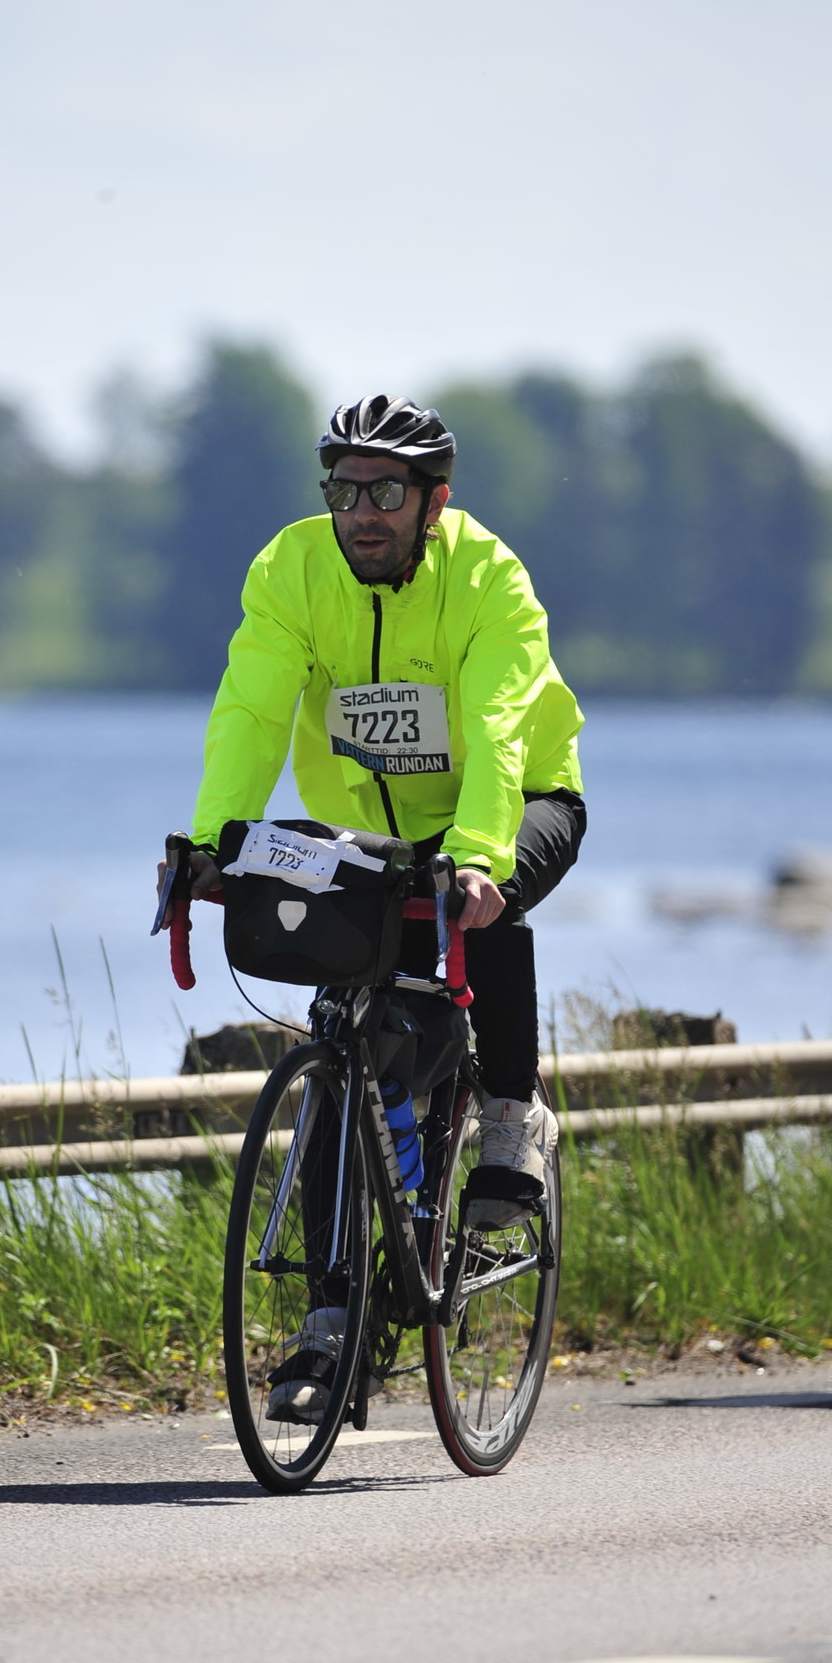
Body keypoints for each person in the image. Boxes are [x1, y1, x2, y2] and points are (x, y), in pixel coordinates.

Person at [174, 392, 585, 1418]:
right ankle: (331, 1318)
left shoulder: (488, 578)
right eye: (344, 489)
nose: (361, 511)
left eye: (387, 492)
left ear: (433, 502)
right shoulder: (293, 568)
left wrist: (480, 857)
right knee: (342, 1056)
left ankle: (511, 1113)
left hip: (518, 800)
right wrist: (213, 842)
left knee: (489, 906)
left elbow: (498, 728)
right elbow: (253, 706)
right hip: (372, 836)